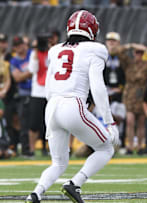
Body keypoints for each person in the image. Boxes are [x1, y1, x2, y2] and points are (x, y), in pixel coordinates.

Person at [25, 10, 120, 203]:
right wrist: (110, 122)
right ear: (92, 29)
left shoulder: (54, 50)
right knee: (106, 149)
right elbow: (98, 86)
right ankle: (74, 183)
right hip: (72, 104)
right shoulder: (96, 49)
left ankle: (35, 193)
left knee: (58, 163)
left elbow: (49, 87)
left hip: (51, 106)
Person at [118, 43, 147, 154]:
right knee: (130, 121)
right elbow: (119, 52)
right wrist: (130, 46)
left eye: (141, 53)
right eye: (137, 53)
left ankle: (141, 145)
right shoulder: (128, 63)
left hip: (141, 94)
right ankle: (130, 146)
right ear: (133, 54)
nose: (138, 55)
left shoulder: (146, 64)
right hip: (130, 94)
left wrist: (146, 50)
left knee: (141, 122)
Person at [28, 33, 50, 157]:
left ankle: (45, 147)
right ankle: (32, 149)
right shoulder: (34, 54)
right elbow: (32, 69)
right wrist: (36, 51)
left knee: (48, 123)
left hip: (49, 92)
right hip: (37, 92)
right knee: (34, 123)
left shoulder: (51, 53)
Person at [10, 36, 33, 157]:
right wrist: (31, 72)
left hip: (37, 92)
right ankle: (25, 149)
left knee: (39, 123)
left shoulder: (32, 53)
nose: (20, 47)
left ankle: (45, 148)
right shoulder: (14, 61)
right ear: (14, 47)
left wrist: (25, 74)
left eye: (21, 44)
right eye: (17, 45)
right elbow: (17, 78)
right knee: (24, 123)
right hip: (24, 94)